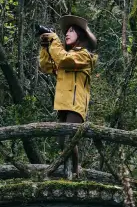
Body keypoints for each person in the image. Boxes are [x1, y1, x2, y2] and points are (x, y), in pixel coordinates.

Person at [38, 15, 97, 178]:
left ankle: (74, 173)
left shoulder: (84, 56)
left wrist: (54, 39)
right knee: (62, 141)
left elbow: (63, 59)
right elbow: (46, 66)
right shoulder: (66, 56)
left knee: (69, 140)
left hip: (76, 105)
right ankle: (70, 173)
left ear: (81, 35)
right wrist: (45, 46)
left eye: (72, 31)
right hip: (63, 104)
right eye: (66, 32)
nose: (67, 34)